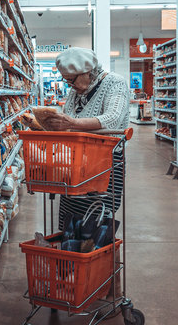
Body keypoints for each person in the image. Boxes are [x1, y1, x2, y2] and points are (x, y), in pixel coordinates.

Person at [43, 47, 130, 318]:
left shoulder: (115, 83)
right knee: (70, 223)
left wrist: (72, 122)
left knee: (99, 223)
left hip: (105, 165)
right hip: (76, 166)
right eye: (66, 81)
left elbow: (113, 119)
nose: (69, 86)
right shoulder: (75, 91)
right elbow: (69, 121)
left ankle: (109, 287)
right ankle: (74, 283)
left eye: (72, 80)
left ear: (88, 72)